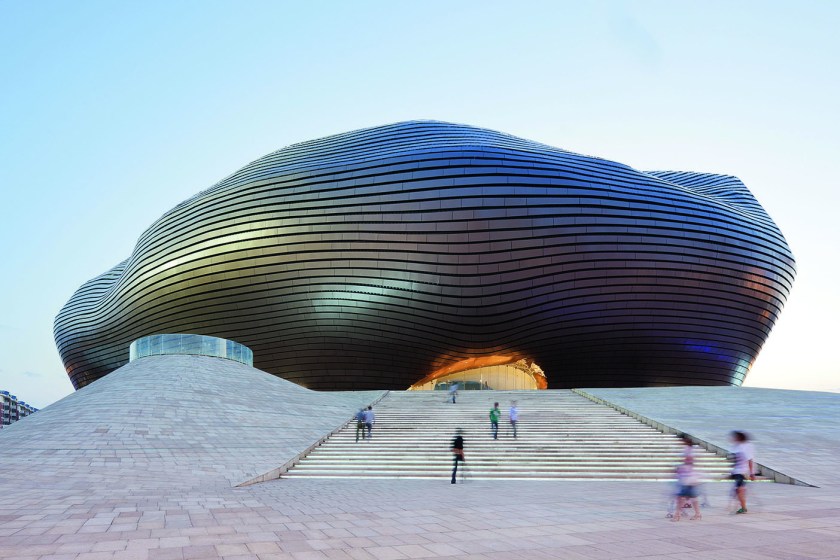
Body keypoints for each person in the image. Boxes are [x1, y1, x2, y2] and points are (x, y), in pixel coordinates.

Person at [730, 431, 755, 514]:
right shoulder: (737, 447)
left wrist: (752, 473)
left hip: (742, 472)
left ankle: (743, 508)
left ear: (739, 438)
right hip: (737, 472)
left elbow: (750, 460)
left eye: (735, 437)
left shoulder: (746, 447)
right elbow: (735, 461)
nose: (733, 439)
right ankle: (743, 507)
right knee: (739, 490)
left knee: (739, 490)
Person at [672, 455, 702, 521]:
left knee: (681, 501)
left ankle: (677, 515)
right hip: (690, 485)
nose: (685, 460)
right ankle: (697, 514)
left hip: (687, 485)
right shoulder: (690, 467)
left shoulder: (685, 467)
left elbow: (678, 475)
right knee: (693, 500)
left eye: (687, 459)